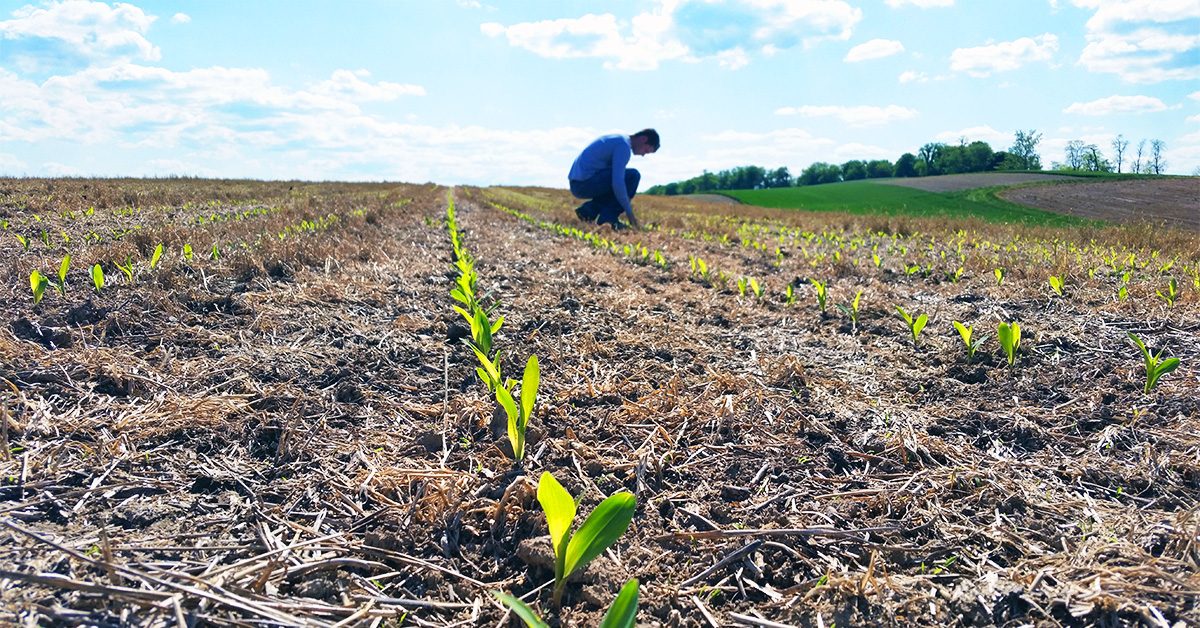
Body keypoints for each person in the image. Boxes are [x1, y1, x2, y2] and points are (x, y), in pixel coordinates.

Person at [568, 129, 659, 230]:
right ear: (643, 139)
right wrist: (630, 215)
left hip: (578, 183)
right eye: (646, 150)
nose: (643, 155)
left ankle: (588, 212)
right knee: (633, 176)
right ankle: (608, 219)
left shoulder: (619, 139)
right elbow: (618, 184)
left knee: (619, 183)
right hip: (584, 184)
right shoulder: (623, 146)